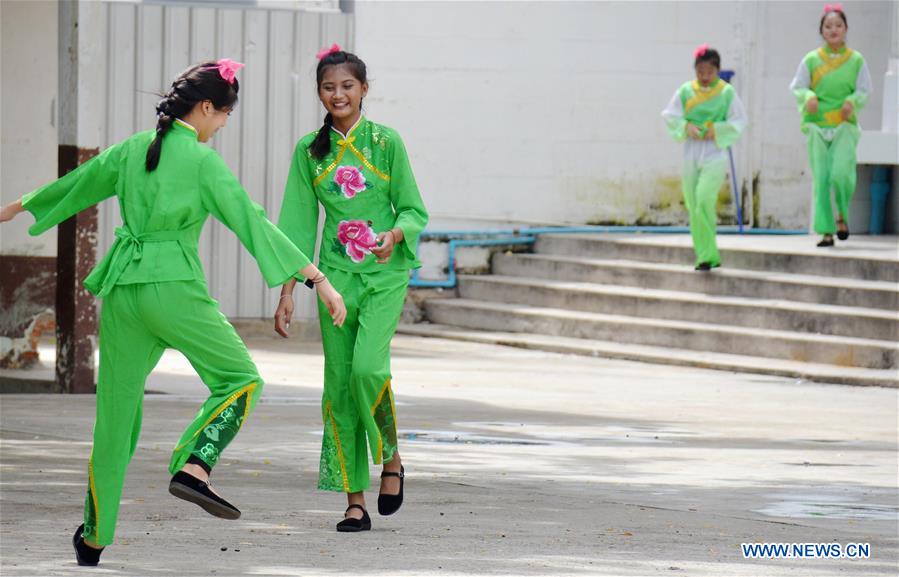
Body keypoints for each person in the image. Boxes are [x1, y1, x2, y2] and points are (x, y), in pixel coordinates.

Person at [0, 59, 346, 565]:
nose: (224, 124)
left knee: (114, 420)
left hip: (120, 293)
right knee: (240, 379)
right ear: (206, 108)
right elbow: (253, 224)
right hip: (173, 290)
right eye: (224, 114)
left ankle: (94, 537)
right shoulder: (203, 163)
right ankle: (194, 466)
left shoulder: (130, 150)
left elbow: (76, 185)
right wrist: (318, 279)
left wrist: (15, 206)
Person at [275, 45, 428, 532]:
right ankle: (353, 502)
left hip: (384, 277)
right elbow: (295, 227)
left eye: (347, 86)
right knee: (339, 386)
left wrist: (395, 236)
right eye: (328, 87)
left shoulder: (387, 142)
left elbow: (412, 209)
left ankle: (392, 458)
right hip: (333, 283)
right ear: (319, 93)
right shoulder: (308, 151)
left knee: (366, 370)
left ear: (364, 89)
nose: (338, 94)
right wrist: (288, 290)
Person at [790, 3, 872, 247]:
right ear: (822, 31)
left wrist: (852, 102)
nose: (833, 30)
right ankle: (826, 231)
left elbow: (864, 89)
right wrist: (808, 98)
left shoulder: (856, 60)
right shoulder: (812, 60)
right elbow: (798, 87)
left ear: (846, 28)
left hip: (844, 125)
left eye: (838, 25)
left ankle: (842, 215)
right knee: (822, 178)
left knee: (840, 174)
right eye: (828, 26)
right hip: (817, 126)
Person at [662, 45, 747, 271]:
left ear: (717, 70)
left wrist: (717, 130)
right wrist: (685, 127)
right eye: (700, 72)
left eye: (709, 72)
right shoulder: (686, 91)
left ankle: (708, 255)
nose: (705, 77)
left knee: (703, 199)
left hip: (714, 152)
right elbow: (670, 116)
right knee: (693, 204)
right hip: (691, 151)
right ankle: (704, 255)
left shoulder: (726, 93)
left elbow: (739, 121)